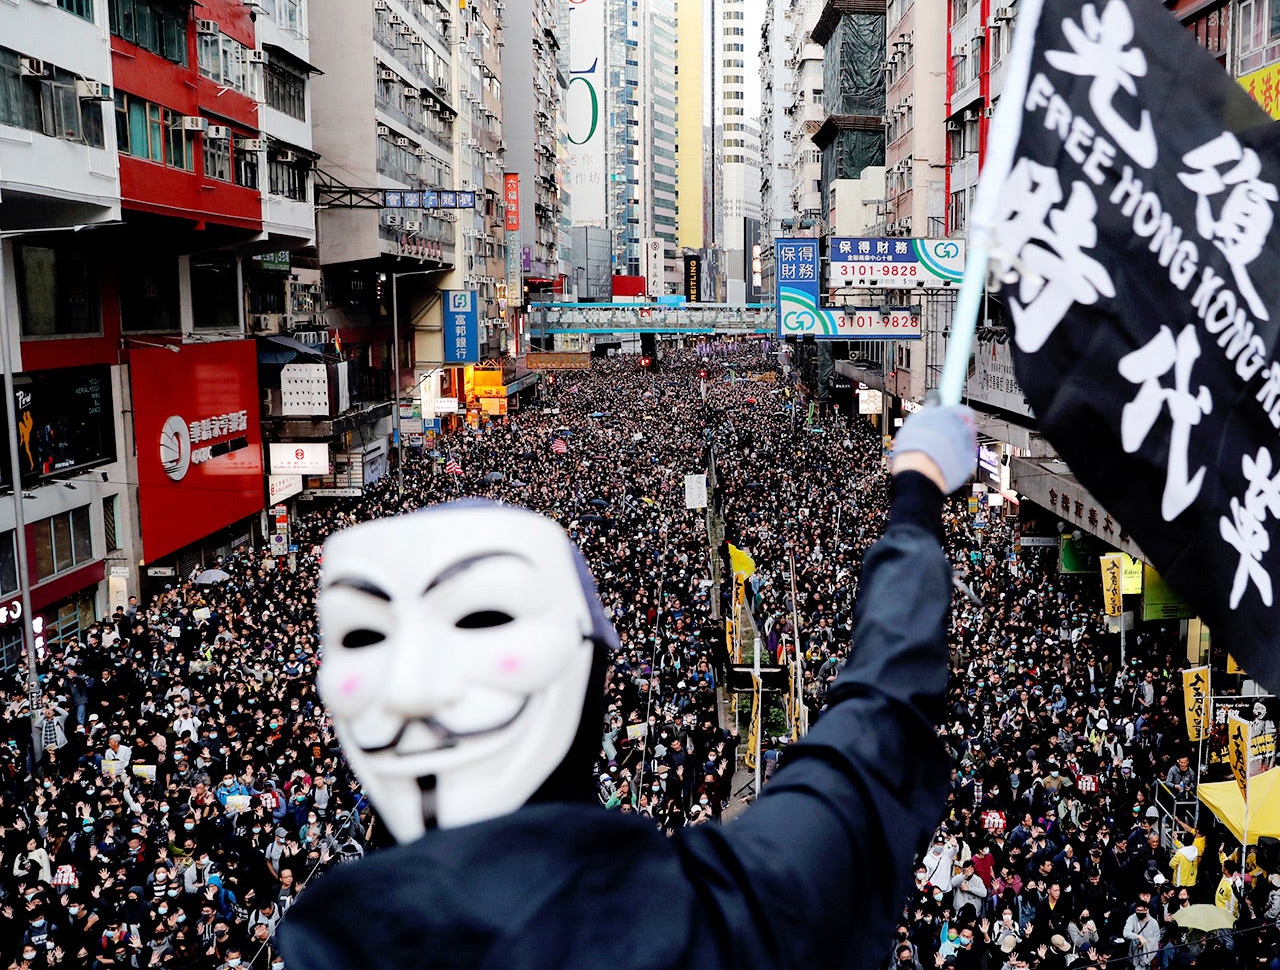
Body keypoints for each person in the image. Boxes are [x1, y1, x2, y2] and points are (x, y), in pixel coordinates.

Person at [276, 405, 979, 968]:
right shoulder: (722, 920)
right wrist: (915, 489)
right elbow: (877, 717)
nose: (415, 684)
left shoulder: (319, 941)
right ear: (599, 676)